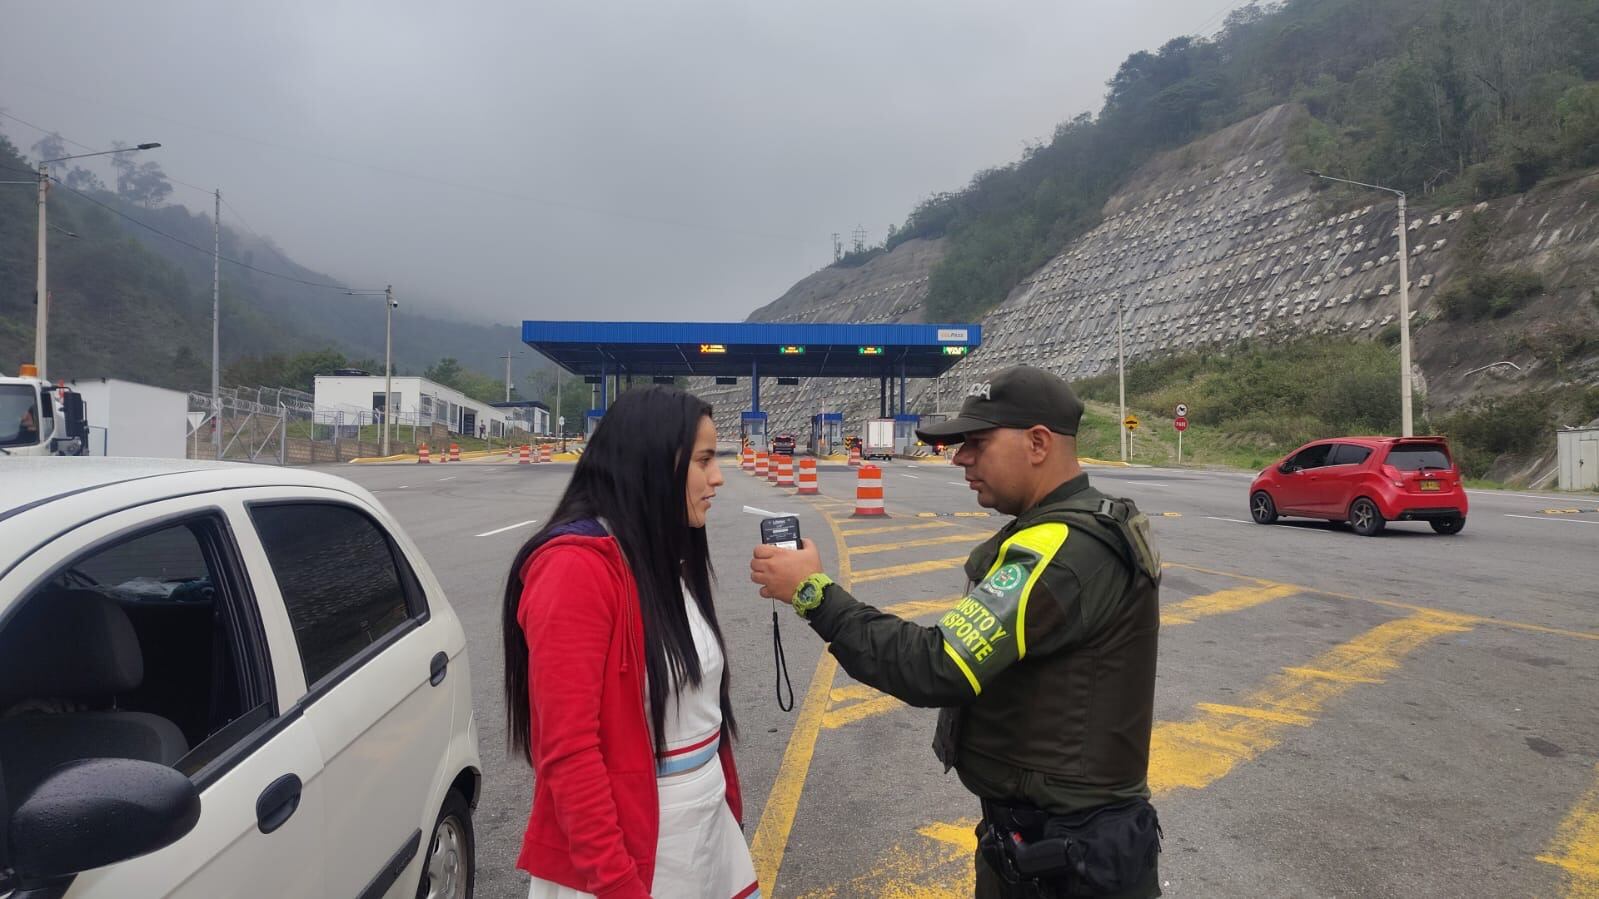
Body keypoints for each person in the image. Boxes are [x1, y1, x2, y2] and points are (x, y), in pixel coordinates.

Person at [749, 365, 1163, 898]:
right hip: (1051, 842)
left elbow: (937, 666)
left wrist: (815, 594)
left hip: (1073, 859)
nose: (960, 457)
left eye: (978, 443)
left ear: (1038, 443)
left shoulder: (1063, 550)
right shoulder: (1071, 524)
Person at [503, 385, 758, 899]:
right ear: (653, 464)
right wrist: (618, 885)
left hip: (702, 841)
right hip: (629, 860)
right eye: (704, 460)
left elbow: (704, 713)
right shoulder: (574, 569)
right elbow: (570, 752)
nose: (718, 477)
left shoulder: (662, 555)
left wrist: (728, 806)